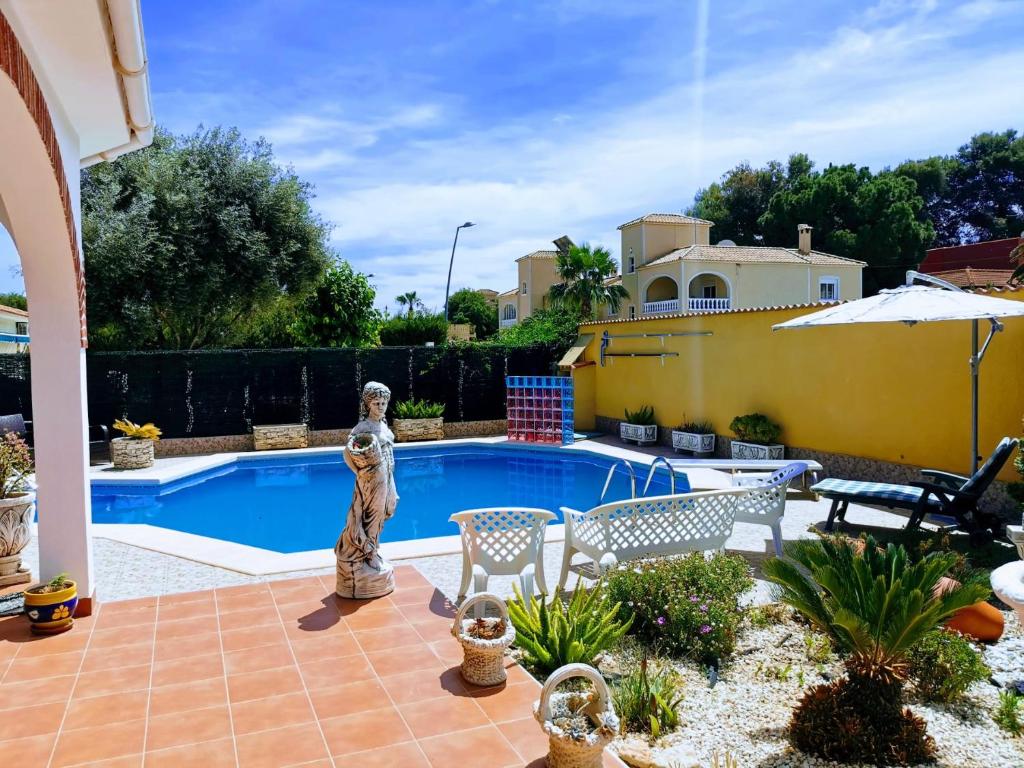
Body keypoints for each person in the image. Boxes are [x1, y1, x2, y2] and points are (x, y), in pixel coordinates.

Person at [335, 381, 399, 598]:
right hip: (372, 479)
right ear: (368, 404)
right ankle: (370, 553)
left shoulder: (384, 426)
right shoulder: (362, 428)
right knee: (373, 516)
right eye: (376, 403)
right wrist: (361, 473)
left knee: (388, 509)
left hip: (388, 476)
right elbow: (347, 453)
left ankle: (372, 548)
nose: (381, 406)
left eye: (384, 402)